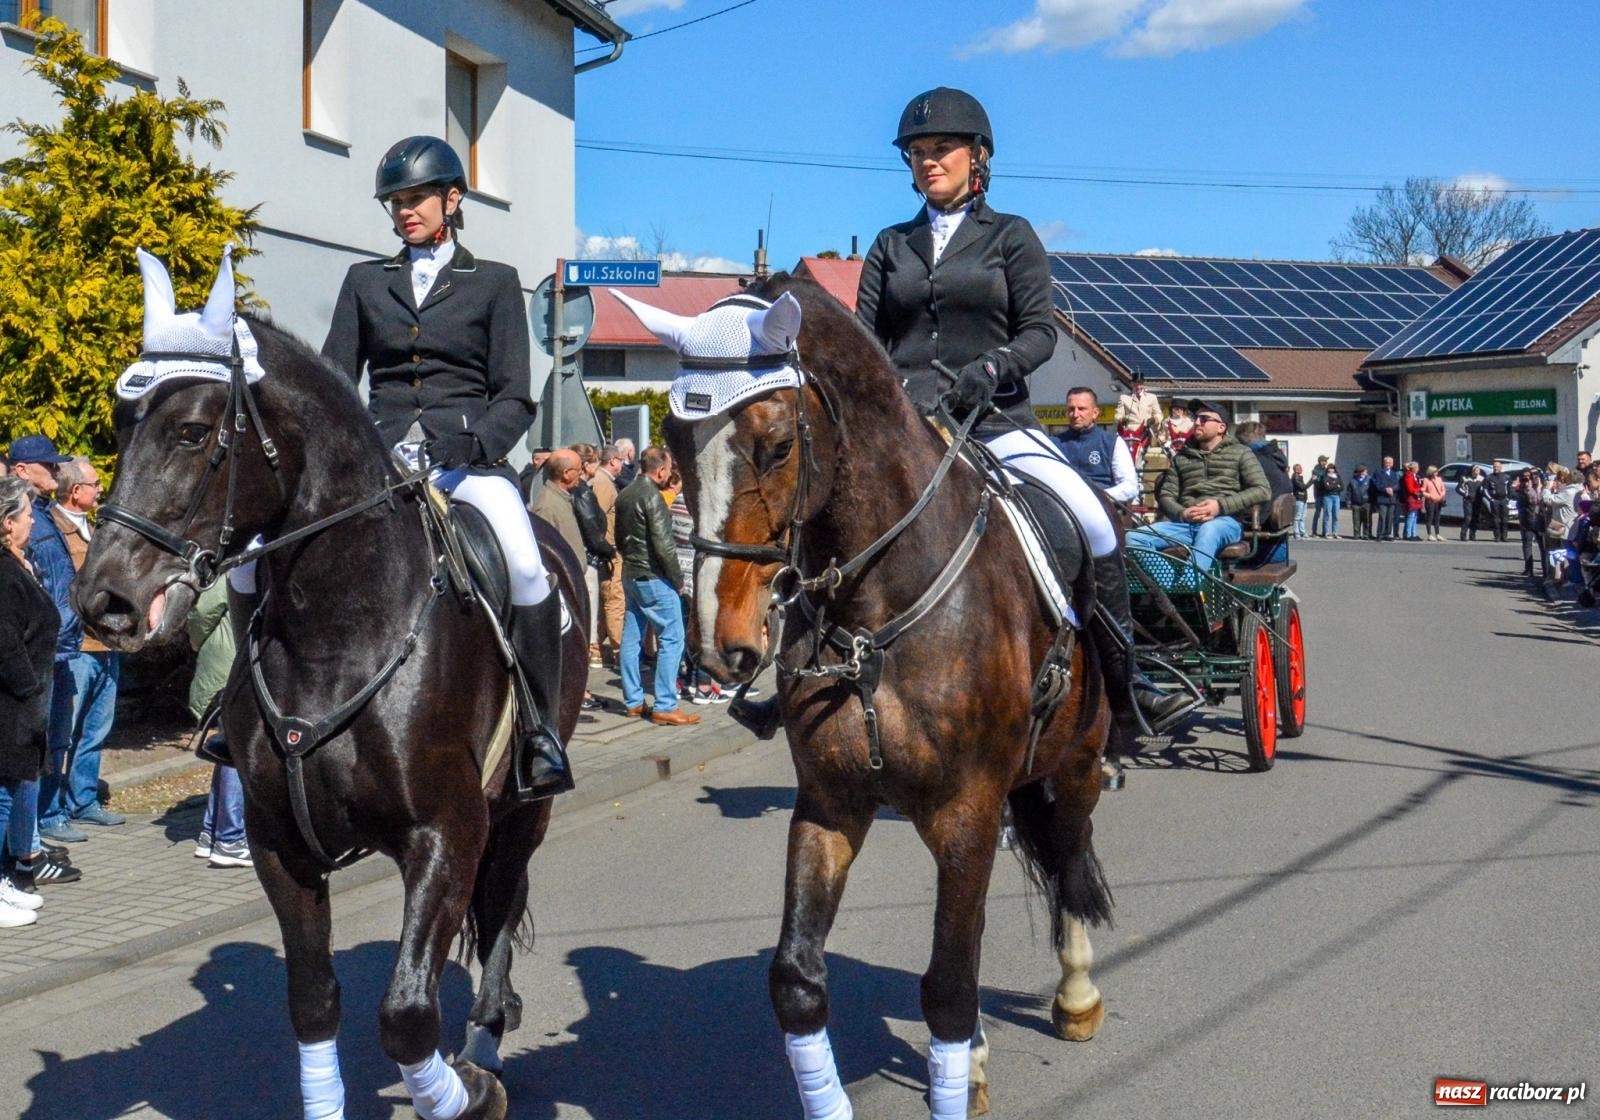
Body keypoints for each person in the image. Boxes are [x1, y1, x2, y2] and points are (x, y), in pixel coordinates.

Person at [852, 86, 1192, 734]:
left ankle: (1129, 687)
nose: (928, 161)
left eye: (941, 149)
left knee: (1092, 519)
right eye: (917, 152)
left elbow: (1040, 331)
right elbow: (865, 336)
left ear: (978, 157)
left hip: (994, 420)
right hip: (904, 426)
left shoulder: (1010, 236)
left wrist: (993, 367)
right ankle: (794, 672)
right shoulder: (888, 245)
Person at [315, 134, 570, 799]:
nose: (405, 211)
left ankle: (541, 733)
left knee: (523, 564)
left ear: (452, 200)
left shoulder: (491, 283)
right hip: (379, 456)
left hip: (467, 460)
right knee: (274, 550)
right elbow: (337, 378)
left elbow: (516, 392)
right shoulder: (366, 281)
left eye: (417, 198)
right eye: (395, 201)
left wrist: (477, 444)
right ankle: (246, 709)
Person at [39, 457, 125, 839]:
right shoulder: (51, 530)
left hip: (106, 646)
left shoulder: (96, 529)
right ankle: (51, 810)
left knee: (96, 730)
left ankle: (84, 800)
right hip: (76, 652)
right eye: (95, 483)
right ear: (76, 492)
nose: (101, 488)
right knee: (63, 733)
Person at [0, 476, 60, 927]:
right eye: (26, 514)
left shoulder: (17, 562)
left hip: (25, 700)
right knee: (3, 797)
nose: (33, 520)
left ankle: (5, 880)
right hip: (11, 703)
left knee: (11, 790)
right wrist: (28, 689)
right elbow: (5, 643)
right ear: (8, 522)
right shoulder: (2, 572)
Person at [1126, 400, 1271, 579]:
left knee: (1209, 529)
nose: (1197, 422)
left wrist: (1219, 506)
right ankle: (1171, 585)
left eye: (1204, 419)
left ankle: (1190, 582)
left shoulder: (1241, 453)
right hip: (1185, 524)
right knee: (1133, 538)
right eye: (1196, 418)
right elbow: (1166, 496)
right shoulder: (1182, 457)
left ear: (1221, 427)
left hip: (1225, 522)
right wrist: (1183, 512)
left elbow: (1262, 490)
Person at [614, 447, 698, 726]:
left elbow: (619, 536)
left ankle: (634, 701)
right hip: (653, 575)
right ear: (660, 470)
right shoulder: (654, 498)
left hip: (631, 572)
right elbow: (664, 546)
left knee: (632, 636)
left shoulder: (625, 493)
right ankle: (665, 703)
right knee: (673, 637)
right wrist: (678, 581)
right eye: (669, 468)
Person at [185, 579, 251, 868]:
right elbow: (200, 614)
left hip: (232, 664)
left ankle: (213, 832)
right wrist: (199, 643)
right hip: (230, 667)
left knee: (229, 748)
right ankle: (230, 838)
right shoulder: (236, 567)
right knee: (239, 751)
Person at [1053, 386, 1140, 505]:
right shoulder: (1054, 443)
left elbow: (1130, 486)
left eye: (1082, 409)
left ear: (1095, 413)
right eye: (1071, 409)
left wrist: (1098, 496)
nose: (1075, 414)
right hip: (1063, 508)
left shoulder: (1112, 442)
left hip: (1102, 509)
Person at [592, 444, 626, 668]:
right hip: (609, 549)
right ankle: (619, 651)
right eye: (621, 460)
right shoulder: (603, 483)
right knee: (615, 599)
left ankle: (600, 647)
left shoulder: (601, 481)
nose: (623, 465)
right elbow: (599, 517)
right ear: (613, 461)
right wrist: (606, 548)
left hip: (608, 549)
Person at [1114, 372, 1165, 467]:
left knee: (1158, 447)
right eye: (1136, 384)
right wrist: (1122, 419)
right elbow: (1118, 414)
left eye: (1140, 384)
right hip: (1130, 432)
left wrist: (1154, 419)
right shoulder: (1124, 398)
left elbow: (1159, 414)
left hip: (1146, 431)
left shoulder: (1151, 397)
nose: (1138, 387)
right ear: (1132, 384)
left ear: (1143, 384)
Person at [1481, 461, 1514, 543]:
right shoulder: (1489, 477)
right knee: (1495, 520)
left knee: (1505, 520)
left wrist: (1508, 499)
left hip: (1504, 500)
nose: (1496, 468)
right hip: (1494, 500)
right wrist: (1491, 499)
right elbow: (1484, 490)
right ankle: (1497, 536)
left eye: (1497, 466)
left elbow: (1510, 489)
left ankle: (1504, 536)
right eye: (1494, 466)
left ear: (1501, 467)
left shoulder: (1507, 477)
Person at [1371, 456, 1399, 541]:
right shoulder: (1378, 473)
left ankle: (1387, 534)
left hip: (1392, 499)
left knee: (1390, 517)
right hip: (1382, 498)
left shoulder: (1394, 473)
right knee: (1382, 517)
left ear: (1392, 464)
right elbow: (1376, 484)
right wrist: (1385, 489)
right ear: (1384, 463)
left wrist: (1392, 489)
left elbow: (1397, 485)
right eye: (1386, 462)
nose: (1388, 464)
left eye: (1390, 463)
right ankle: (1380, 534)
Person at [1457, 465, 1485, 541]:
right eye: (1476, 470)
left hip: (1477, 501)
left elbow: (1484, 488)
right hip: (1468, 501)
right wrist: (1466, 494)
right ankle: (1463, 535)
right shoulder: (1465, 478)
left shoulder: (1482, 479)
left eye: (1478, 470)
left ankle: (1472, 535)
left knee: (1476, 518)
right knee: (1468, 518)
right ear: (1472, 471)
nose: (1477, 472)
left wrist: (1483, 493)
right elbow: (1458, 488)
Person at [1345, 464, 1374, 540]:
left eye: (1365, 471)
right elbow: (1349, 492)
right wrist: (1348, 502)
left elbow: (1373, 492)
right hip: (1356, 503)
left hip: (1366, 502)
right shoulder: (1353, 481)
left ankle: (1367, 534)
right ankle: (1356, 534)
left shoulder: (1369, 480)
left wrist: (1373, 502)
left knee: (1367, 520)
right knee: (1356, 520)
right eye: (1363, 471)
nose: (1364, 472)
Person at [1317, 460, 1344, 538]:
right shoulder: (1325, 476)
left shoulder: (1338, 476)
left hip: (1336, 497)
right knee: (1327, 514)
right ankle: (1326, 532)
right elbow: (1327, 487)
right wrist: (1336, 485)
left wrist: (1332, 485)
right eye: (1329, 468)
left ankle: (1335, 532)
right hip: (1328, 497)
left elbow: (1342, 487)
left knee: (1336, 515)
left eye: (1332, 468)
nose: (1331, 470)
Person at [1399, 461, 1424, 541]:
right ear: (1413, 468)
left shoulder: (1415, 476)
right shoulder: (1409, 476)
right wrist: (1420, 489)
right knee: (1411, 516)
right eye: (1416, 467)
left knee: (1415, 516)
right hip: (1411, 498)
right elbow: (1410, 489)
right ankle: (1408, 534)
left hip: (1416, 498)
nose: (1418, 469)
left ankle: (1414, 533)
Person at [1421, 466, 1447, 541]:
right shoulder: (1426, 480)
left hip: (1438, 501)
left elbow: (1443, 488)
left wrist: (1442, 495)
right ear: (1431, 472)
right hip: (1430, 501)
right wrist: (1430, 496)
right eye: (1435, 472)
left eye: (1437, 471)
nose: (1437, 473)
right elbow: (1423, 491)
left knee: (1437, 517)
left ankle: (1437, 534)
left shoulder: (1439, 479)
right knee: (1430, 517)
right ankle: (1429, 534)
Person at [1308, 456, 1329, 537]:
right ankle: (1314, 531)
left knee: (1326, 513)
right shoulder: (1315, 470)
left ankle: (1325, 532)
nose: (1325, 462)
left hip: (1326, 493)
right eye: (1323, 461)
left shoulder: (1326, 470)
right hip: (1319, 493)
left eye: (1326, 461)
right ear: (1320, 461)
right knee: (1317, 512)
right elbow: (1315, 481)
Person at [1290, 464, 1309, 538]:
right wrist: (1311, 480)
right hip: (1299, 499)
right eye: (1299, 468)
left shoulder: (1299, 477)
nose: (1301, 469)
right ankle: (1296, 532)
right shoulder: (1295, 477)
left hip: (1303, 499)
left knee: (1303, 517)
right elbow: (1302, 487)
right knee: (1298, 516)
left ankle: (1302, 531)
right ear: (1296, 469)